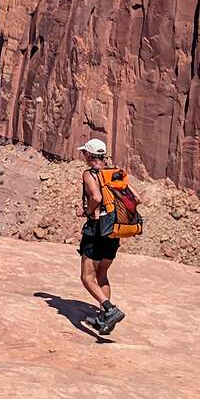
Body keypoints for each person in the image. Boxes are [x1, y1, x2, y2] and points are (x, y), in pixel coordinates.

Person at [78, 138, 126, 335]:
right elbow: (138, 198)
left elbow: (96, 198)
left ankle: (110, 309)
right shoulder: (115, 173)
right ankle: (104, 318)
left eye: (84, 153)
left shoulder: (90, 174)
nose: (83, 156)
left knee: (87, 277)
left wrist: (87, 211)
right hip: (113, 230)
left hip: (96, 229)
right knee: (102, 274)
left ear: (90, 155)